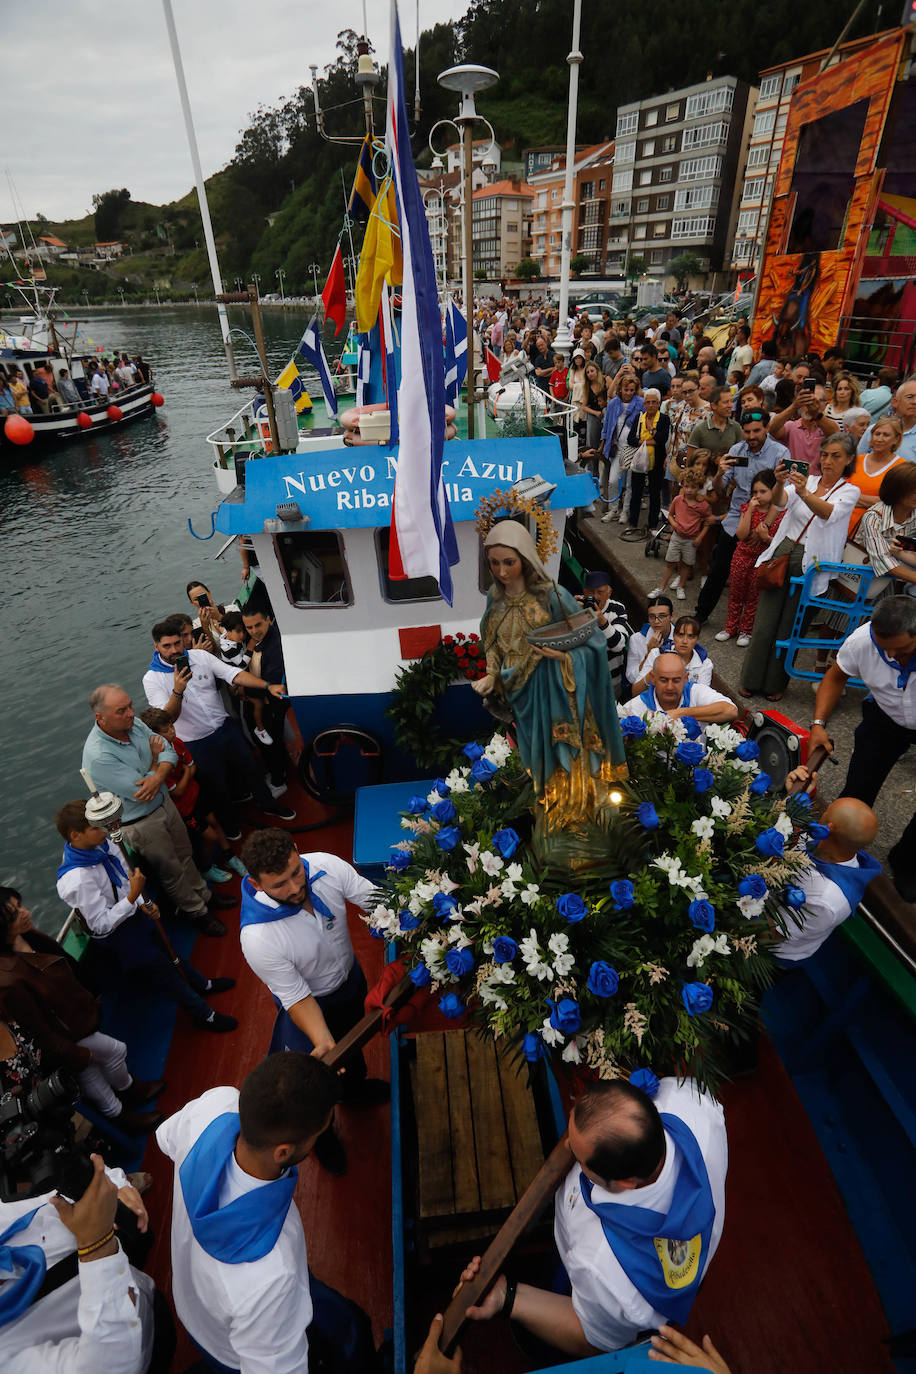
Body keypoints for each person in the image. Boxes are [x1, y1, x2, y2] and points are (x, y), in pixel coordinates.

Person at [458, 1076, 727, 1355]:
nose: (566, 1150)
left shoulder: (599, 1265)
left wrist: (508, 1296)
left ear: (625, 1182)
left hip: (596, 1293)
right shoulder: (693, 1102)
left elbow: (594, 1339)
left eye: (577, 1155)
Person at [156, 1053, 377, 1374]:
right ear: (284, 1152)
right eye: (320, 1132)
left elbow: (166, 1138)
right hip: (236, 1350)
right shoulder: (273, 1273)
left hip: (198, 1308)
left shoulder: (216, 1105)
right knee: (353, 1334)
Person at [238, 829, 390, 1175]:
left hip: (350, 981)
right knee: (317, 1081)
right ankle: (323, 1138)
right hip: (311, 1008)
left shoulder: (326, 867)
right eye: (279, 884)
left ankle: (355, 1090)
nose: (294, 888)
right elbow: (297, 997)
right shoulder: (258, 938)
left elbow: (377, 900)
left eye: (295, 872)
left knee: (353, 1053)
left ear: (297, 850)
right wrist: (324, 1042)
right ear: (256, 884)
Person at [472, 521, 625, 819]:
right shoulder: (495, 597)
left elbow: (590, 638)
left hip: (556, 689)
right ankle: (550, 804)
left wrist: (562, 657)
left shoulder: (552, 595)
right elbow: (490, 638)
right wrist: (492, 674)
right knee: (534, 755)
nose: (502, 571)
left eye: (509, 562)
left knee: (565, 753)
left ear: (525, 558)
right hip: (519, 691)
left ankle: (578, 811)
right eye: (494, 563)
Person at [53, 803, 238, 1035]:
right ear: (75, 835)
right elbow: (100, 924)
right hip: (119, 933)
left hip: (134, 912)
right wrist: (133, 897)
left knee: (171, 951)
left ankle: (202, 984)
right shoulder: (77, 879)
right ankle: (204, 1014)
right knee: (164, 972)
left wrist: (143, 903)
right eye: (96, 827)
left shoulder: (101, 844)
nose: (105, 830)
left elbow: (126, 875)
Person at [0, 887, 164, 1135]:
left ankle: (125, 1102)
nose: (25, 913)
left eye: (19, 906)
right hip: (66, 1036)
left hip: (74, 1020)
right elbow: (38, 1029)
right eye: (14, 915)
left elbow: (62, 960)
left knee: (92, 1073)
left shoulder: (26, 937)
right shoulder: (9, 981)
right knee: (113, 1053)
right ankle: (126, 1100)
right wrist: (73, 1052)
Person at [82, 684, 228, 937]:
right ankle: (197, 912)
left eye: (129, 705)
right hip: (141, 822)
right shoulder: (99, 756)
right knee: (171, 869)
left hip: (164, 804)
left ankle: (203, 894)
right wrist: (155, 762)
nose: (130, 713)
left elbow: (168, 752)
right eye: (121, 710)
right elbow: (139, 791)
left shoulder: (134, 724)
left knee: (185, 853)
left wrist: (156, 771)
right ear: (100, 718)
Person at [0, 1153, 160, 1374]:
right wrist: (97, 1247)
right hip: (146, 1347)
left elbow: (55, 1194)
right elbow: (107, 1367)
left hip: (136, 1276)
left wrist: (117, 1188)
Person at [142, 615, 296, 831]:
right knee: (217, 788)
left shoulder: (200, 657)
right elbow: (165, 720)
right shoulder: (152, 679)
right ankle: (232, 827)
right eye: (167, 646)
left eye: (177, 643)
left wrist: (267, 685)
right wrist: (178, 689)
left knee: (251, 769)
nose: (174, 650)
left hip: (225, 728)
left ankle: (268, 805)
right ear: (156, 646)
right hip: (196, 742)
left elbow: (233, 674)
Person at [809, 597, 916, 901]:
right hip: (884, 716)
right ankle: (836, 849)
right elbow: (835, 677)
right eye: (884, 649)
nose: (892, 655)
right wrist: (818, 724)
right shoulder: (860, 642)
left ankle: (907, 863)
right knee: (858, 786)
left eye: (902, 650)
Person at [741, 436, 859, 701]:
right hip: (785, 548)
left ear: (849, 460)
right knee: (765, 622)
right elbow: (781, 501)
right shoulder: (811, 480)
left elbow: (829, 513)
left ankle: (775, 683)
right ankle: (750, 678)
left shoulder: (849, 490)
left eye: (836, 456)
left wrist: (804, 492)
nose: (828, 461)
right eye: (825, 454)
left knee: (791, 627)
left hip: (813, 560)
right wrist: (781, 481)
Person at [771, 767, 880, 962]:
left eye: (825, 811)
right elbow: (797, 837)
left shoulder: (826, 899)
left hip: (774, 951)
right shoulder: (827, 843)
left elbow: (770, 934)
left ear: (828, 828)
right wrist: (792, 797)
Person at [694, 409, 790, 625]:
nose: (751, 436)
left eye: (756, 431)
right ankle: (701, 614)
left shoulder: (780, 453)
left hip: (766, 519)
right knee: (719, 568)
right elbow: (719, 492)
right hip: (736, 518)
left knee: (760, 576)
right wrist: (719, 473)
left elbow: (784, 497)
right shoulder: (737, 450)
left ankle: (755, 625)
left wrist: (764, 526)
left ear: (766, 428)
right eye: (747, 432)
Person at [138, 708, 245, 883]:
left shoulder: (177, 742)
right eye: (165, 730)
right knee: (209, 836)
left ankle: (230, 856)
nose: (172, 731)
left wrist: (186, 774)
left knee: (215, 822)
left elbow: (192, 768)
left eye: (171, 726)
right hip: (184, 808)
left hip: (196, 795)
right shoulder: (156, 763)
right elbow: (178, 790)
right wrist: (187, 772)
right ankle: (206, 868)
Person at [716, 470, 786, 647]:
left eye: (763, 491)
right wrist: (750, 511)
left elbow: (778, 543)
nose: (758, 496)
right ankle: (730, 627)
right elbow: (740, 534)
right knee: (736, 594)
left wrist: (765, 538)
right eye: (755, 492)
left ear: (773, 491)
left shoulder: (780, 513)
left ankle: (746, 630)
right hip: (742, 556)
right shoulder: (748, 508)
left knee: (753, 597)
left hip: (761, 560)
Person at [621, 654, 737, 739]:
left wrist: (680, 713)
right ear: (653, 678)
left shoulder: (695, 691)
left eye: (676, 680)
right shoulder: (634, 708)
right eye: (664, 680)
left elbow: (730, 711)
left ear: (686, 678)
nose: (670, 687)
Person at [242, 606, 291, 792]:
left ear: (268, 619)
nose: (254, 631)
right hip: (262, 702)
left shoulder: (275, 647)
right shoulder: (260, 639)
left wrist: (243, 688)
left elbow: (271, 680)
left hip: (270, 705)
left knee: (272, 744)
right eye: (249, 628)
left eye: (258, 625)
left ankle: (279, 782)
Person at [650, 472, 715, 601]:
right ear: (682, 486)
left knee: (686, 565)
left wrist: (700, 538)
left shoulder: (703, 505)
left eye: (693, 487)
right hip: (677, 536)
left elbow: (708, 522)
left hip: (691, 540)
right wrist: (674, 524)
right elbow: (670, 515)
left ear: (699, 488)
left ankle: (681, 586)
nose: (689, 490)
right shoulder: (678, 500)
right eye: (686, 486)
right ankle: (661, 588)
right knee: (670, 563)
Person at [575, 570, 632, 702]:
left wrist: (602, 622)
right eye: (590, 592)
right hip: (581, 677)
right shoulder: (576, 608)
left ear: (609, 593)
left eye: (600, 592)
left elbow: (619, 645)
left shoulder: (617, 609)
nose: (595, 597)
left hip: (610, 679)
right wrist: (569, 611)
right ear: (584, 592)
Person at [622, 388, 671, 538]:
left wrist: (651, 431)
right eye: (648, 402)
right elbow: (631, 438)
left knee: (655, 494)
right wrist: (648, 441)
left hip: (655, 463)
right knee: (636, 494)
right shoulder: (639, 417)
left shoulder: (663, 419)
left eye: (654, 402)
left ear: (658, 403)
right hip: (638, 462)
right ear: (644, 403)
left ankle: (652, 526)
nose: (650, 405)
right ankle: (632, 523)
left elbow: (662, 439)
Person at [846, 416, 903, 539]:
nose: (879, 439)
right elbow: (840, 493)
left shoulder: (901, 468)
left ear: (896, 439)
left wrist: (852, 498)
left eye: (886, 435)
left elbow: (894, 504)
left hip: (874, 535)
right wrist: (876, 501)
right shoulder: (856, 461)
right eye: (877, 434)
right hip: (843, 526)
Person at [599, 367, 644, 522]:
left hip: (633, 449)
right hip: (617, 447)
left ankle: (625, 511)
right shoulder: (613, 404)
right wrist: (603, 443)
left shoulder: (640, 403)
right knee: (613, 480)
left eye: (632, 390)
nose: (629, 393)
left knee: (630, 483)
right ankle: (613, 509)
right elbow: (606, 426)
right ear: (620, 388)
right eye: (626, 389)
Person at [767, 380, 838, 477]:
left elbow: (835, 434)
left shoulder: (828, 426)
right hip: (793, 483)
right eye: (806, 401)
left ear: (825, 404)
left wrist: (816, 414)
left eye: (814, 402)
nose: (809, 406)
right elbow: (772, 429)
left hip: (819, 485)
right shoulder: (792, 426)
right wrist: (794, 406)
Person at [633, 617, 713, 695]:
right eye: (680, 635)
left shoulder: (705, 664)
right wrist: (653, 674)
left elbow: (702, 699)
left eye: (690, 636)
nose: (684, 641)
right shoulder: (656, 654)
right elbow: (635, 691)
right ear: (674, 636)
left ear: (697, 639)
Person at [857, 376, 916, 463]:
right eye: (909, 397)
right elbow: (858, 463)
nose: (915, 402)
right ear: (895, 402)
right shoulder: (873, 430)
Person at [665, 373, 707, 494]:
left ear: (699, 389)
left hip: (695, 461)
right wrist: (669, 455)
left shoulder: (708, 411)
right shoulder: (682, 407)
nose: (687, 395)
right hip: (676, 459)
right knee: (674, 493)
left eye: (691, 391)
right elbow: (674, 433)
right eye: (684, 392)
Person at [684, 385, 743, 467]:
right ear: (714, 406)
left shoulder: (736, 428)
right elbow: (690, 463)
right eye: (726, 402)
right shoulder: (700, 430)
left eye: (731, 401)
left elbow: (741, 458)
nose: (730, 405)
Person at [626, 596, 675, 688]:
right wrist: (649, 654)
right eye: (652, 616)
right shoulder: (636, 639)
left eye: (662, 616)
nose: (656, 621)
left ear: (671, 616)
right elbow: (631, 678)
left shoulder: (681, 637)